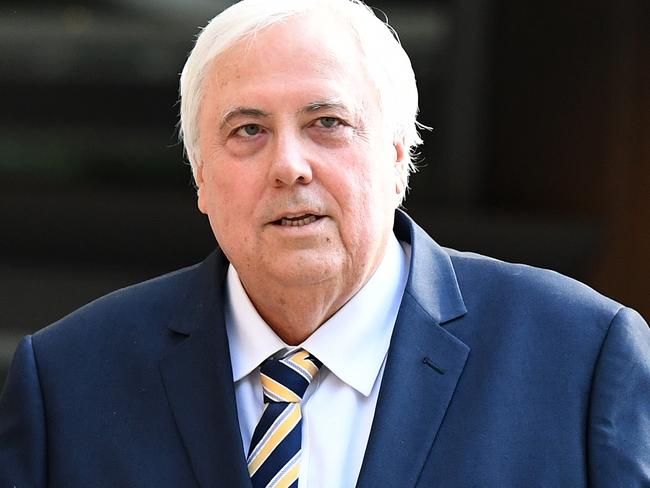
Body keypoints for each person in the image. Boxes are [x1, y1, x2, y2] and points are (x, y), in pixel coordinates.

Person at [1, 0, 649, 486]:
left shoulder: (580, 359)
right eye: (248, 130)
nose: (289, 165)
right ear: (201, 177)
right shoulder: (67, 380)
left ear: (398, 157)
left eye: (327, 123)